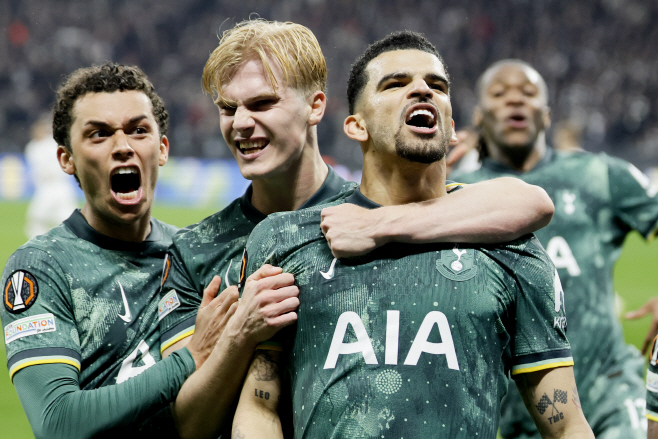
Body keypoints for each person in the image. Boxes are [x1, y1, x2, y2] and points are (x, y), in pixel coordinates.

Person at [158, 20, 555, 438]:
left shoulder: (374, 205)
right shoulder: (194, 251)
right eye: (227, 109)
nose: (240, 122)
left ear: (316, 107)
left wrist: (378, 223)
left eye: (262, 104)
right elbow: (185, 424)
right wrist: (240, 334)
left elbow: (529, 203)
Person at [0, 62, 296, 439]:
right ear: (66, 159)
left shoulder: (196, 255)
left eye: (138, 130)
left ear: (162, 149)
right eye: (99, 134)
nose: (123, 147)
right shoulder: (41, 267)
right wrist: (189, 359)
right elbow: (57, 422)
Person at [447, 60, 658, 439]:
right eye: (499, 93)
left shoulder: (598, 175)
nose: (515, 99)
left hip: (610, 394)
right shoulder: (457, 193)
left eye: (528, 93)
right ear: (478, 115)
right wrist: (430, 181)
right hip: (526, 411)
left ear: (545, 115)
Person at [24, 113, 78, 238]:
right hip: (45, 187)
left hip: (59, 185)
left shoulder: (52, 144)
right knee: (36, 218)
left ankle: (67, 241)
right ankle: (42, 243)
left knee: (66, 219)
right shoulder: (32, 147)